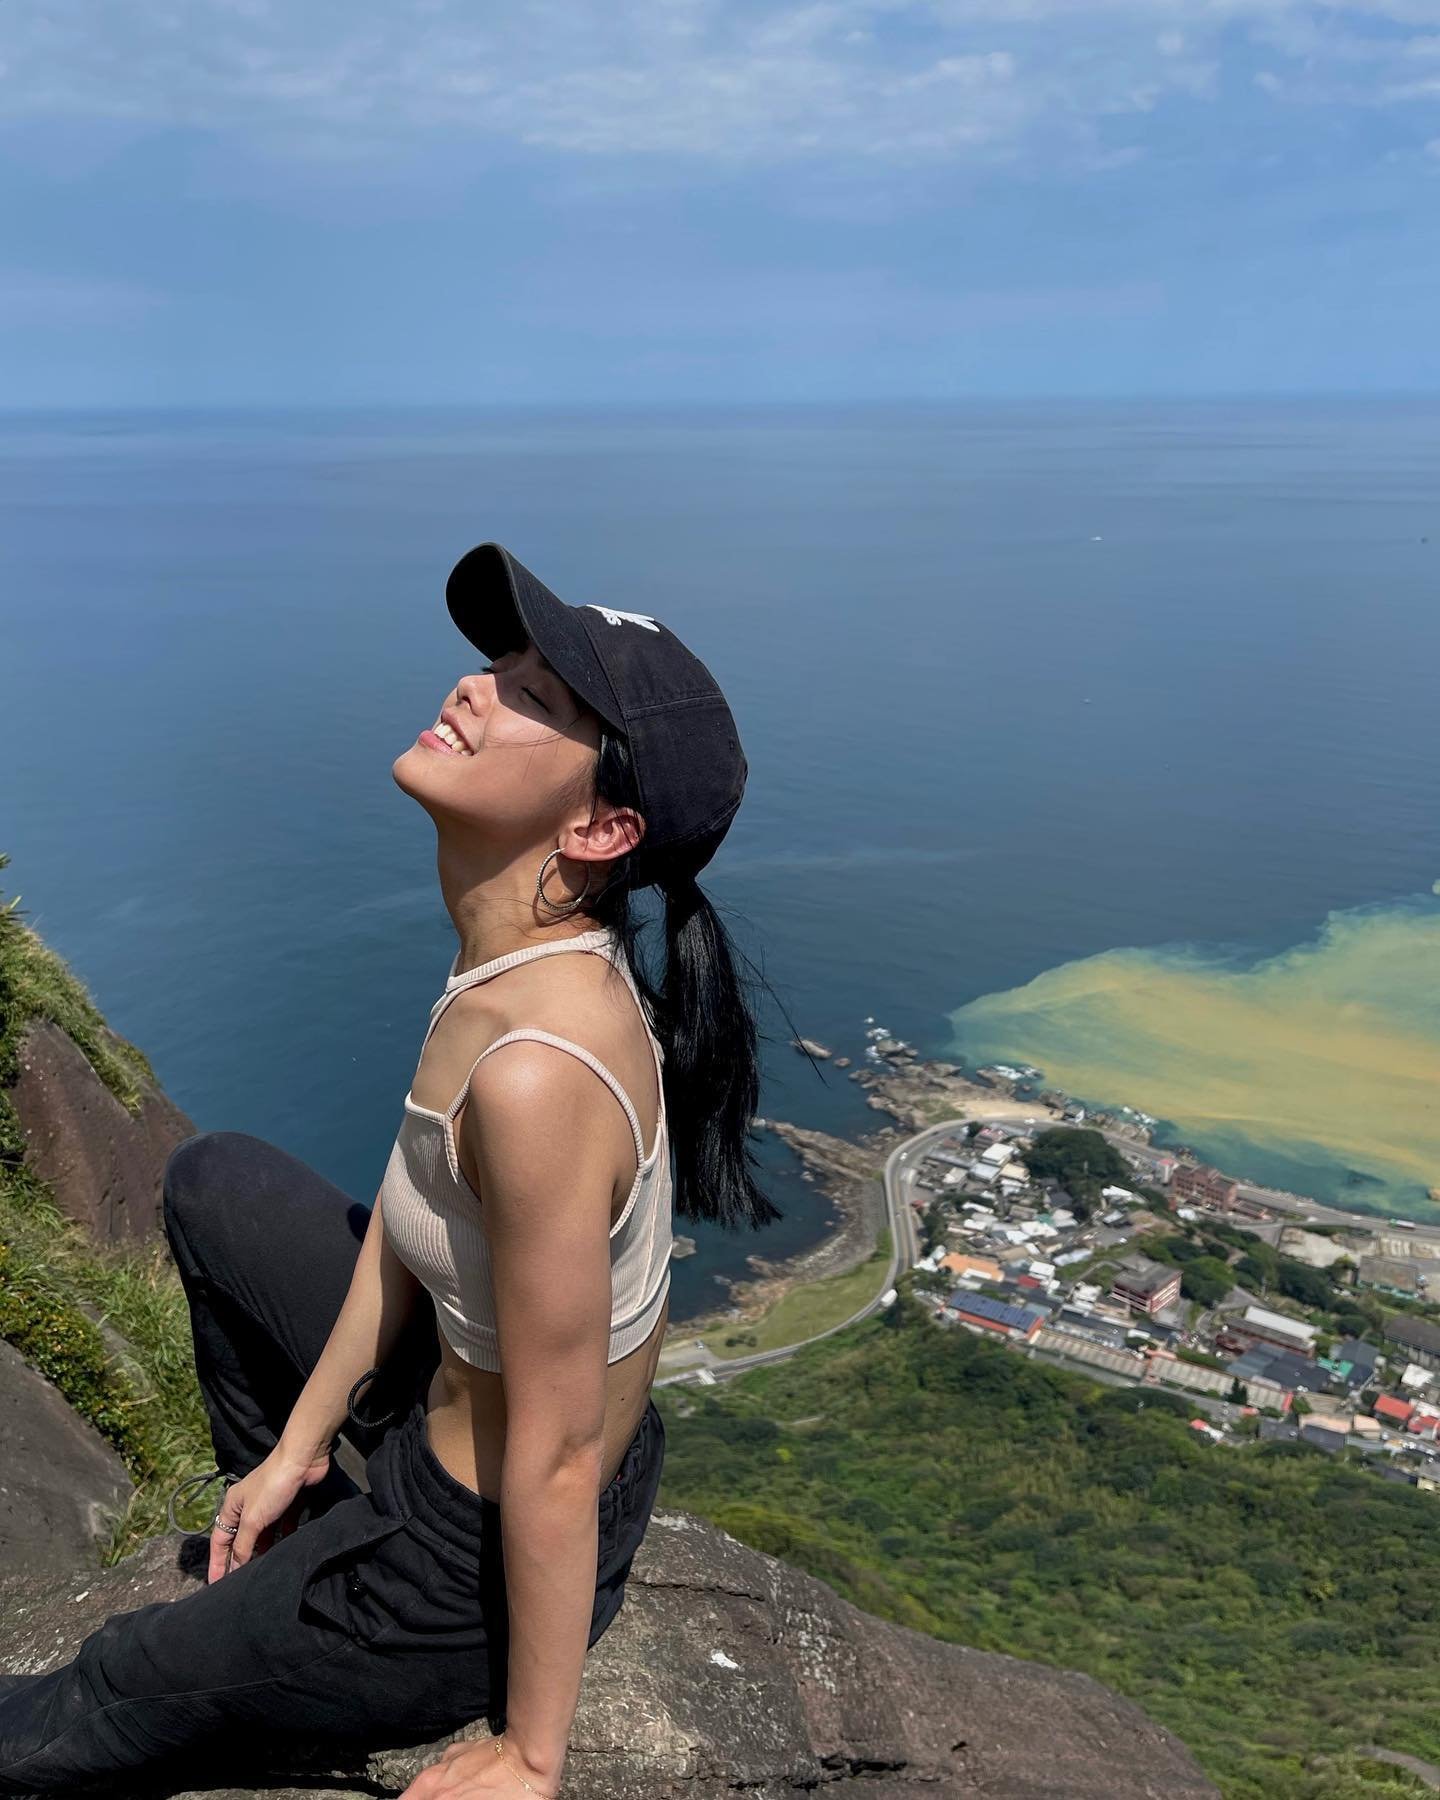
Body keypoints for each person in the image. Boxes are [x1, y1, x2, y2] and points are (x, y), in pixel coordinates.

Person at [0, 542, 781, 1799]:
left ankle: (309, 1620)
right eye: (499, 662)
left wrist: (534, 1752)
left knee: (114, 1682)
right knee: (214, 1183)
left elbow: (563, 1449)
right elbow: (411, 1226)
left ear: (600, 826)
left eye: (535, 695)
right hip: (467, 1412)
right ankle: (293, 1535)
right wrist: (297, 1444)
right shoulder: (509, 951)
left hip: (464, 1550)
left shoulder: (538, 1073)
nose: (477, 686)